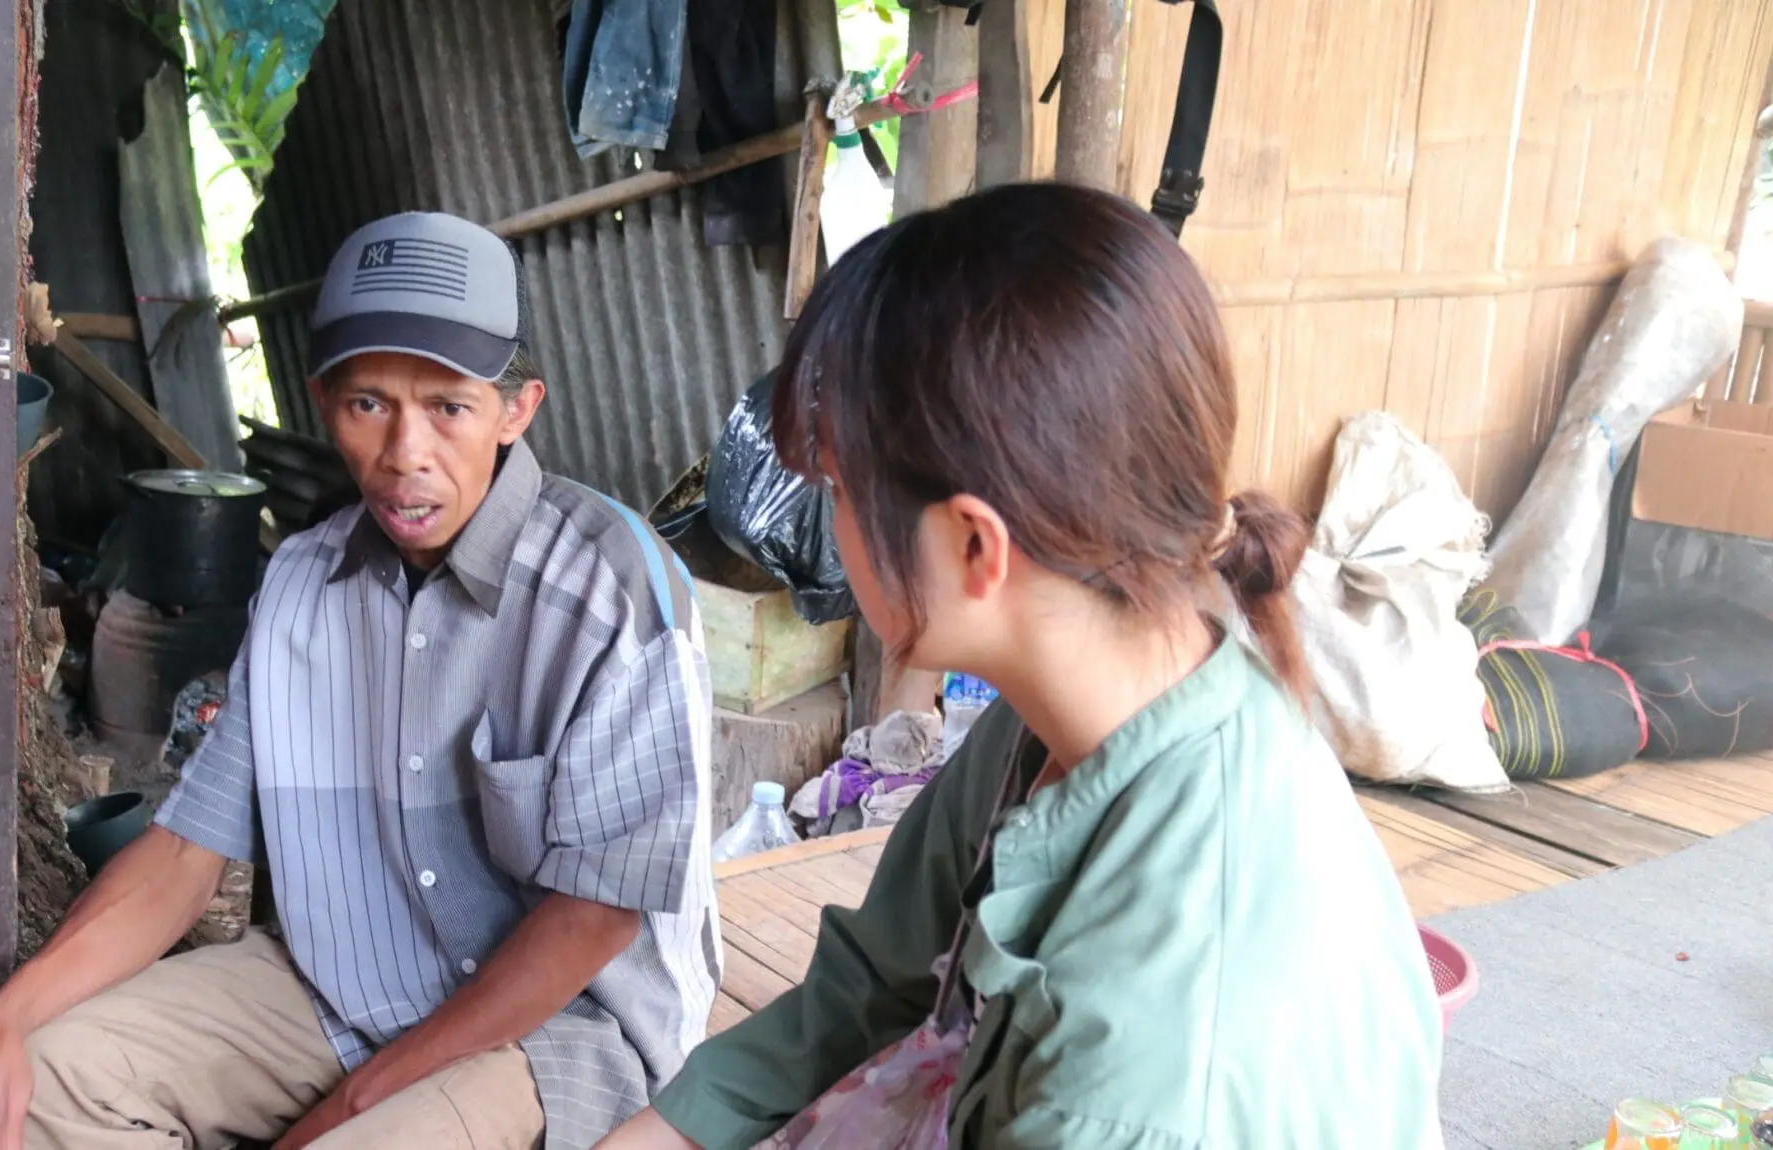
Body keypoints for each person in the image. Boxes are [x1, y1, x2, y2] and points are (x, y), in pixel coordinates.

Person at [600, 183, 1445, 1150]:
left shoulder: (1148, 1075)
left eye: (839, 490)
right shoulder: (1079, 700)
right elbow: (878, 980)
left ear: (973, 547)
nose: (833, 528)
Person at [0, 211, 722, 1150]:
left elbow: (593, 920)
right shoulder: (302, 582)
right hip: (338, 987)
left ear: (517, 410)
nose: (404, 453)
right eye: (367, 403)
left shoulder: (613, 591)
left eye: (449, 407)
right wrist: (4, 1020)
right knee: (42, 1083)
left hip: (552, 1032)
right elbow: (186, 854)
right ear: (321, 403)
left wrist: (345, 1110)